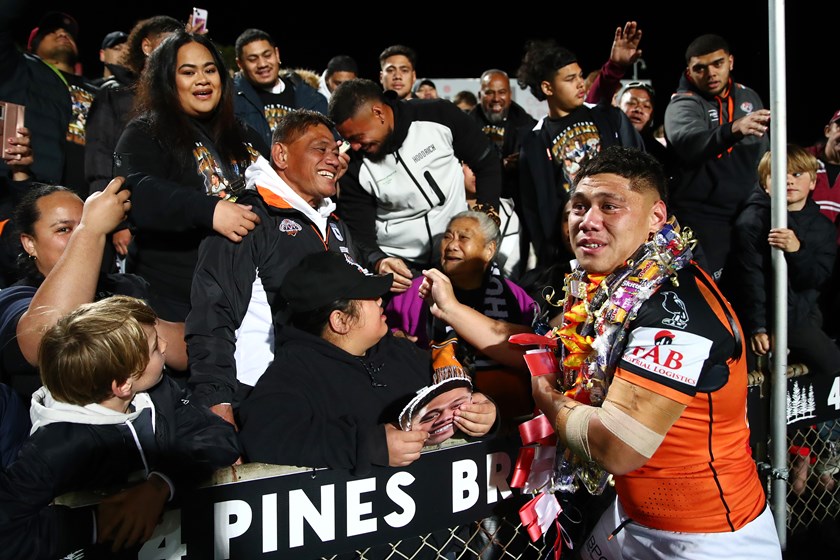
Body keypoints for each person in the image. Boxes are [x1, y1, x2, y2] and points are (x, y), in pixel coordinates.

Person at [519, 146, 781, 558]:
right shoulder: (620, 283)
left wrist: (545, 395)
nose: (588, 221)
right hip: (632, 519)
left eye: (610, 207)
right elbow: (547, 343)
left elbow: (616, 447)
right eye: (579, 206)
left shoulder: (675, 305)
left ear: (656, 217)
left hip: (707, 539)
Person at [0, 295, 241, 560]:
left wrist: (159, 486)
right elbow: (8, 534)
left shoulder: (158, 394)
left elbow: (219, 436)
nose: (164, 344)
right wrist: (97, 523)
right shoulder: (56, 446)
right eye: (153, 347)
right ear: (122, 385)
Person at [238, 250, 497, 473]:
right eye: (368, 295)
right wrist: (367, 446)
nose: (380, 300)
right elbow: (264, 436)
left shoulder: (402, 351)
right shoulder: (295, 372)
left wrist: (486, 414)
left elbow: (458, 394)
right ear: (340, 321)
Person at [186, 109, 356, 427]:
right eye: (320, 149)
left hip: (327, 396)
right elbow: (212, 316)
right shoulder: (247, 219)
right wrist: (217, 403)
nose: (333, 159)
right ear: (280, 154)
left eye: (335, 151)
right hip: (263, 400)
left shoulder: (334, 224)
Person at [114, 30, 265, 322]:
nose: (202, 80)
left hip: (248, 296)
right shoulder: (145, 131)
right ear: (167, 81)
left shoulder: (244, 133)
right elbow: (136, 191)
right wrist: (210, 211)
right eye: (188, 72)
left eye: (210, 70)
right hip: (178, 304)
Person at [2, 180, 188, 402]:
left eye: (83, 225)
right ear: (29, 243)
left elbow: (190, 351)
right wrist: (89, 230)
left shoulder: (125, 285)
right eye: (64, 229)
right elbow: (51, 340)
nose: (76, 238)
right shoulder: (14, 299)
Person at [729, 146, 840, 493]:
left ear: (811, 183)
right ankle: (779, 461)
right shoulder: (753, 220)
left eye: (797, 174)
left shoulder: (820, 226)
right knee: (761, 384)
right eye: (779, 174)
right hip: (766, 318)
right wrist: (761, 326)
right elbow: (749, 279)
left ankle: (818, 450)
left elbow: (818, 277)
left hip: (802, 315)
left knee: (829, 368)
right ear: (765, 183)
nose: (789, 180)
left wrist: (797, 250)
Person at [328, 78, 502, 292]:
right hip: (403, 273)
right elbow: (359, 233)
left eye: (357, 137)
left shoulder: (439, 115)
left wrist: (486, 220)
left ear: (378, 113)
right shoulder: (354, 164)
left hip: (457, 258)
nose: (353, 146)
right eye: (347, 140)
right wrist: (379, 261)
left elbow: (487, 162)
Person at [386, 210, 536, 420]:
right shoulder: (415, 291)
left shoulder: (514, 296)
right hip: (433, 413)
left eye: (463, 237)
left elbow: (537, 352)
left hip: (501, 414)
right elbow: (385, 331)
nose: (452, 245)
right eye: (448, 236)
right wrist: (396, 340)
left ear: (489, 250)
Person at [515, 38, 643, 279]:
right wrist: (550, 256)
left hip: (623, 235)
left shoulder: (609, 117)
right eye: (569, 79)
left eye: (580, 75)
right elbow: (535, 208)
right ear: (547, 88)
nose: (580, 84)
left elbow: (642, 169)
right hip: (575, 250)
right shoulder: (534, 141)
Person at [664, 33, 771, 283]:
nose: (710, 73)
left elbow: (762, 153)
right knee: (709, 287)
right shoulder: (682, 104)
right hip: (704, 218)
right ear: (689, 72)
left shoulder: (749, 97)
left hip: (747, 212)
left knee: (750, 287)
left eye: (717, 64)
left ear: (730, 62)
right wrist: (733, 128)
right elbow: (689, 144)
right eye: (700, 68)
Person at [85, 15, 184, 270]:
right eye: (169, 43)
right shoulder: (115, 93)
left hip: (177, 222)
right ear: (147, 47)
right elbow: (102, 159)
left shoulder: (181, 99)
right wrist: (118, 223)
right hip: (132, 225)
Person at [0, 4, 94, 195]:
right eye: (50, 31)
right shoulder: (19, 70)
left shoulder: (99, 90)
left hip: (89, 200)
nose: (62, 33)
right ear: (32, 45)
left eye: (69, 33)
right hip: (29, 192)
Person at [232, 28, 328, 150]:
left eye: (267, 55)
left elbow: (332, 140)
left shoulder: (312, 98)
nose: (262, 64)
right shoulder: (231, 99)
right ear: (240, 64)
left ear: (277, 54)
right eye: (252, 59)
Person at [613, 81, 671, 172]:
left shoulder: (660, 154)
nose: (639, 109)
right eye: (632, 103)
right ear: (618, 105)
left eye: (646, 106)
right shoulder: (606, 140)